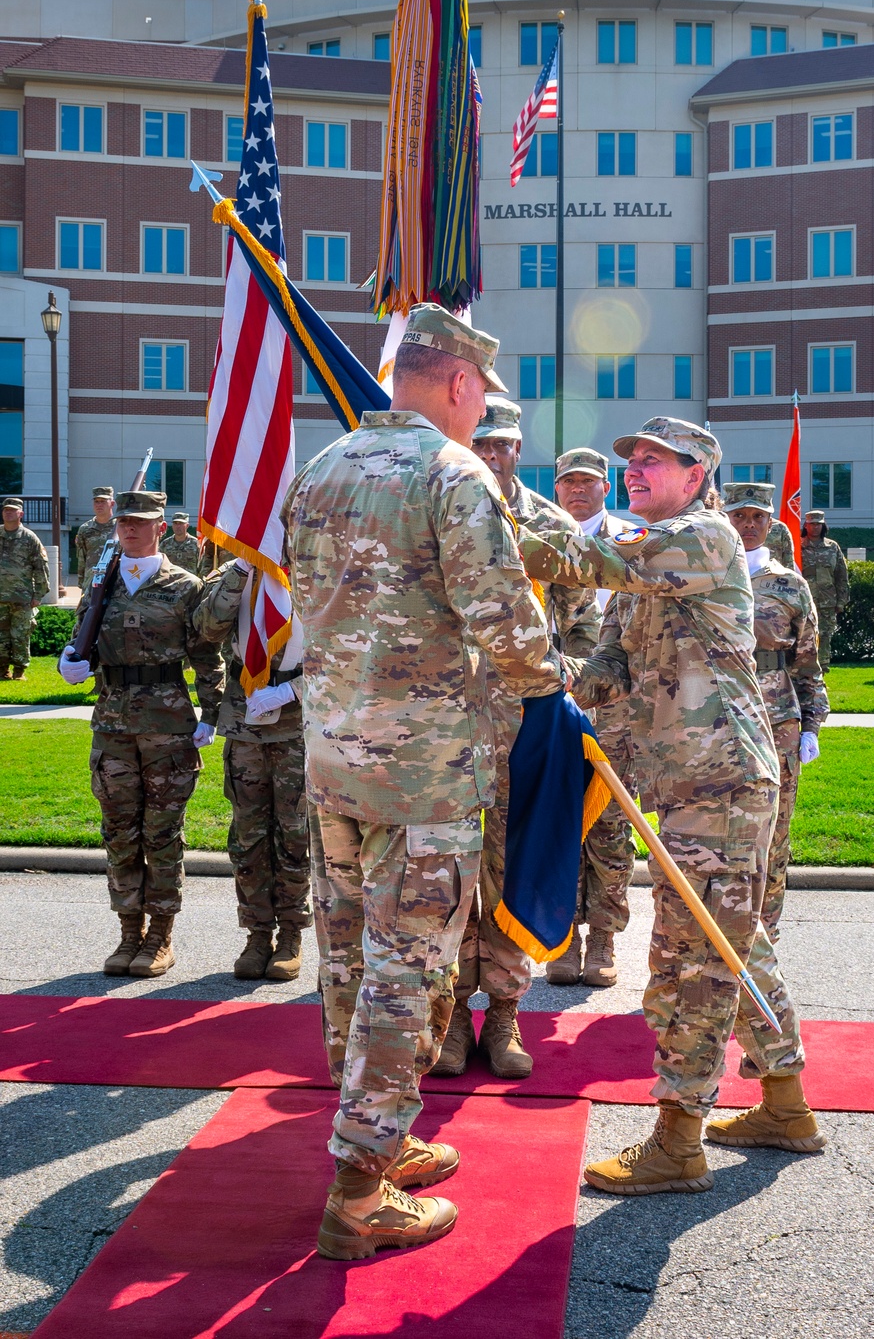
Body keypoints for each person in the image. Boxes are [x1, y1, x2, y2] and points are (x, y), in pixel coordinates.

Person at [282, 303, 566, 1260]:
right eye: (478, 391)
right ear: (458, 383)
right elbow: (505, 618)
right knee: (410, 970)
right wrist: (550, 685)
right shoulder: (454, 474)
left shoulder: (318, 471)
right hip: (425, 775)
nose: (478, 408)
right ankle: (359, 1196)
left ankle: (378, 1136)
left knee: (348, 959)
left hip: (332, 763)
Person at [518, 416, 824, 1197]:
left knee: (689, 960)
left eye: (655, 461)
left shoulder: (702, 537)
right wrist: (559, 692)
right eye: (633, 460)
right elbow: (614, 658)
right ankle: (785, 1105)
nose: (636, 470)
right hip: (683, 778)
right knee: (735, 943)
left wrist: (492, 505)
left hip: (719, 778)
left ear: (699, 475)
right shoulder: (648, 558)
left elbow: (588, 556)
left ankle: (678, 1140)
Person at [434, 402, 600, 1076]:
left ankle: (503, 1015)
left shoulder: (550, 527)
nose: (494, 455)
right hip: (442, 727)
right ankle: (447, 1018)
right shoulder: (433, 515)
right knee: (444, 872)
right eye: (482, 443)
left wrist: (568, 681)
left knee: (510, 867)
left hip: (524, 729)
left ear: (520, 449)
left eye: (504, 445)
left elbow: (586, 628)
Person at [58, 490, 225, 977]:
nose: (130, 529)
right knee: (119, 833)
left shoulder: (185, 586)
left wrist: (211, 713)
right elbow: (80, 639)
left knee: (162, 834)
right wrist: (71, 662)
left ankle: (159, 937)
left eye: (141, 522)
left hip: (168, 725)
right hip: (111, 724)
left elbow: (205, 657)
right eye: (124, 522)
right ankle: (128, 931)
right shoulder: (101, 584)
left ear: (160, 527)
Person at [194, 560, 311, 981]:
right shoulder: (236, 571)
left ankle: (292, 936)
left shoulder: (323, 566)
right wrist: (241, 571)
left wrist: (292, 689)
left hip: (300, 722)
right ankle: (257, 934)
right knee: (249, 837)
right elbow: (205, 628)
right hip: (246, 718)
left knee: (295, 834)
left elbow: (348, 652)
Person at [722, 481, 829, 941]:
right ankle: (718, 927)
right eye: (739, 516)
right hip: (713, 717)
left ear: (771, 523)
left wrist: (811, 724)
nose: (747, 525)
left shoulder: (789, 584)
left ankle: (764, 930)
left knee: (774, 828)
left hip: (775, 718)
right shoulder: (705, 574)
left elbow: (807, 663)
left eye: (757, 518)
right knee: (716, 827)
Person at [549, 445, 635, 988]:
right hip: (552, 703)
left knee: (610, 824)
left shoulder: (632, 543)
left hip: (617, 709)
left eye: (589, 481)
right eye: (569, 482)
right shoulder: (542, 538)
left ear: (607, 487)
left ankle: (603, 935)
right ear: (557, 488)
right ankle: (563, 937)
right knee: (558, 822)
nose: (578, 490)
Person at [0, 496, 49, 680]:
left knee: (20, 636)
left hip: (22, 598)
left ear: (21, 513)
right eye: (6, 509)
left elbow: (41, 568)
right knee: (1, 637)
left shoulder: (29, 538)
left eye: (12, 510)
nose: (8, 512)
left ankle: (19, 671)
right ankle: (2, 671)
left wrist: (39, 594)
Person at [799, 510, 849, 671]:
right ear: (805, 526)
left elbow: (841, 576)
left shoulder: (832, 547)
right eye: (812, 524)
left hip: (827, 601)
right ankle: (806, 670)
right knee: (805, 636)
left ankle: (823, 669)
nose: (815, 527)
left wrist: (842, 601)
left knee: (825, 636)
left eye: (818, 524)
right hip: (804, 602)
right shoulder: (797, 547)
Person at [75, 488, 116, 591]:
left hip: (115, 582)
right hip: (91, 582)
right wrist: (81, 582)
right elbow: (81, 557)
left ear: (112, 503)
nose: (99, 505)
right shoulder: (85, 529)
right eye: (96, 501)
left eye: (103, 501)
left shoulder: (120, 528)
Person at [162, 512, 202, 578]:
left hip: (190, 583)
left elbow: (202, 566)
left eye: (181, 523)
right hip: (170, 584)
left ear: (187, 525)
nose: (178, 526)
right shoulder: (165, 544)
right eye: (175, 523)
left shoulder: (196, 544)